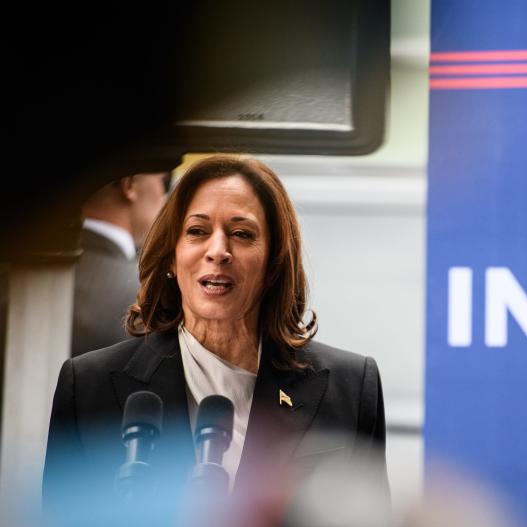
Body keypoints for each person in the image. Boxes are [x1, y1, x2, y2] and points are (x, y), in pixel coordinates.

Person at [43, 155, 388, 506]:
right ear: (171, 259)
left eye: (241, 233)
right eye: (197, 231)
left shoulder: (348, 388)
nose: (218, 251)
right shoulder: (89, 387)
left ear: (273, 263)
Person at [72, 172, 169, 356]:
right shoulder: (155, 292)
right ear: (129, 184)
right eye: (164, 181)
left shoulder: (12, 274)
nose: (164, 198)